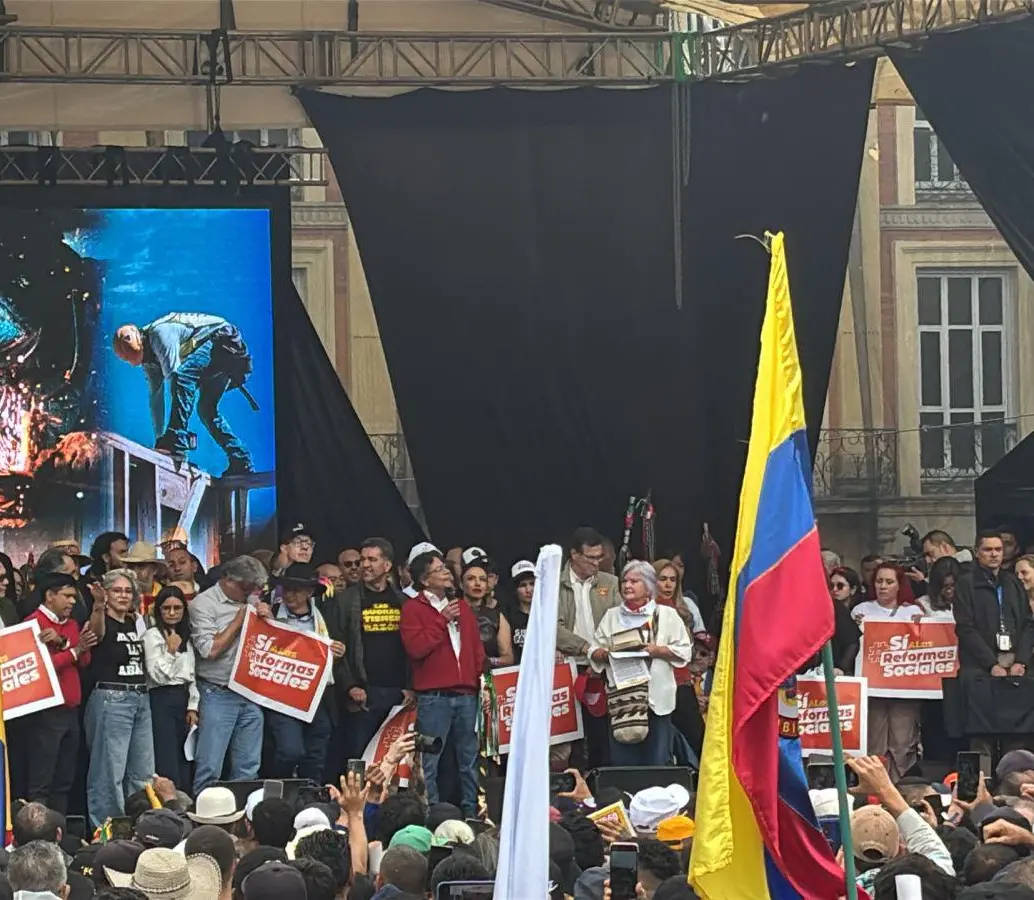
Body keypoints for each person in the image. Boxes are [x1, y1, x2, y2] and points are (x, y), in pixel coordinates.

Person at [113, 312, 254, 475]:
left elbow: (176, 380)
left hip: (225, 341)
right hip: (220, 357)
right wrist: (159, 441)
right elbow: (155, 399)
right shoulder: (149, 362)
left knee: (183, 377)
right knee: (207, 410)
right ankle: (241, 459)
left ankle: (177, 440)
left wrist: (173, 440)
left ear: (142, 342)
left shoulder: (160, 334)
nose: (145, 363)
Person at [399, 551, 484, 817]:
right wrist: (442, 619)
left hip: (467, 694)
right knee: (429, 761)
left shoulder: (462, 607)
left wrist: (478, 678)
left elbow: (475, 650)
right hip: (434, 696)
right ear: (425, 579)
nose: (447, 573)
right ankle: (430, 814)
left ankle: (472, 812)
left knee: (469, 759)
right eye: (439, 570)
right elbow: (416, 648)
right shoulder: (413, 608)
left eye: (446, 568)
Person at [589, 561, 692, 766]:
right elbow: (593, 650)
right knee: (623, 762)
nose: (627, 585)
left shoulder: (666, 615)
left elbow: (685, 651)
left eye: (634, 581)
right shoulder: (612, 616)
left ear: (648, 587)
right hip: (624, 702)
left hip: (656, 700)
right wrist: (606, 654)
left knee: (657, 760)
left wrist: (658, 650)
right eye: (625, 581)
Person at [189, 554, 271, 793]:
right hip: (217, 691)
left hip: (251, 692)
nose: (249, 594)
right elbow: (209, 650)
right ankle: (203, 823)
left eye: (253, 590)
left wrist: (268, 620)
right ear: (228, 580)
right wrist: (239, 620)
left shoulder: (252, 601)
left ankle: (244, 822)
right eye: (245, 588)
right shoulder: (202, 604)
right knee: (210, 766)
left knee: (248, 768)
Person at [326, 537, 413, 761]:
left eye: (372, 559)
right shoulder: (344, 601)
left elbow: (413, 648)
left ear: (387, 566)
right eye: (363, 559)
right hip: (363, 694)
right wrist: (350, 686)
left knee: (395, 761)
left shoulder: (404, 601)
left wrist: (411, 686)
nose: (364, 564)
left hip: (398, 693)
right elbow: (336, 647)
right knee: (358, 759)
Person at [954, 529, 1034, 758]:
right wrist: (991, 664)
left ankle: (1014, 787)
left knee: (1016, 736)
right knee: (981, 738)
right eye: (988, 549)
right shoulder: (966, 584)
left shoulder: (1012, 582)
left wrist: (1021, 660)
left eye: (998, 549)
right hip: (980, 669)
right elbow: (965, 628)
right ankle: (981, 787)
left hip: (1014, 667)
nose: (994, 554)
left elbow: (1029, 623)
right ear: (977, 552)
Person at [84, 568, 155, 827]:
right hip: (111, 697)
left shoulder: (137, 621)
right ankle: (107, 833)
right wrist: (98, 606)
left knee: (142, 772)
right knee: (108, 773)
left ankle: (141, 827)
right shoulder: (100, 618)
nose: (123, 595)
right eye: (117, 590)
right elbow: (97, 634)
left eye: (128, 591)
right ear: (106, 592)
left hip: (140, 697)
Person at [22, 572, 97, 813]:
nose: (73, 601)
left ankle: (59, 835)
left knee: (63, 781)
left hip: (71, 710)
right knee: (41, 782)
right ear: (49, 596)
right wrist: (73, 652)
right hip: (46, 712)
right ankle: (36, 836)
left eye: (74, 596)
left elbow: (85, 658)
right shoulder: (32, 623)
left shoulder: (72, 624)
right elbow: (40, 667)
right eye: (66, 596)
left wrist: (64, 644)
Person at [265, 564, 345, 782]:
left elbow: (336, 651)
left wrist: (337, 653)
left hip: (316, 695)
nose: (289, 595)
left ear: (309, 592)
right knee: (290, 750)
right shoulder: (269, 614)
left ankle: (310, 791)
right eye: (287, 589)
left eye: (296, 590)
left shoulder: (325, 617)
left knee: (317, 745)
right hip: (280, 695)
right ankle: (280, 788)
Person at [852, 564, 925, 780]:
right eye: (879, 581)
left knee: (903, 743)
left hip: (904, 688)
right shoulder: (861, 610)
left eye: (889, 581)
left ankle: (902, 787)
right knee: (875, 742)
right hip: (872, 687)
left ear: (899, 585)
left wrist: (920, 627)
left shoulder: (913, 612)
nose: (883, 586)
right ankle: (875, 789)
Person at [557, 527, 621, 769]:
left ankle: (601, 785)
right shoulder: (554, 584)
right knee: (567, 737)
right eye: (591, 558)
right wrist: (586, 649)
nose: (597, 563)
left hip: (602, 667)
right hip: (567, 666)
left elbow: (619, 624)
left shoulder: (611, 583)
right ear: (574, 555)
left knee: (600, 734)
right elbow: (554, 628)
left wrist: (599, 658)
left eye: (600, 557)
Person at [142, 585, 199, 786]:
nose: (172, 613)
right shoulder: (152, 635)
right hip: (161, 698)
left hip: (183, 698)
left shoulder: (187, 636)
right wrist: (171, 651)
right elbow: (158, 676)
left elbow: (191, 675)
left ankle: (185, 800)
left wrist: (193, 705)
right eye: (166, 608)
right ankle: (169, 804)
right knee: (165, 755)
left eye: (177, 608)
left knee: (185, 754)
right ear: (158, 610)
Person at [461, 562, 513, 669]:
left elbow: (508, 658)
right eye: (471, 578)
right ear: (461, 584)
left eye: (483, 579)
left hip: (487, 678)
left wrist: (488, 661)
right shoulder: (450, 612)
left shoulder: (497, 616)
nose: (478, 583)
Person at [508, 560, 535, 664]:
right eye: (523, 585)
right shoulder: (508, 617)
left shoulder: (547, 616)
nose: (529, 590)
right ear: (515, 589)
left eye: (532, 584)